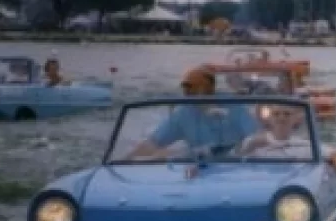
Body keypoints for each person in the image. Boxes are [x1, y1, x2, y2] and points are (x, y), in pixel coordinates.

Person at [125, 68, 258, 160]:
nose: (190, 94)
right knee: (160, 155)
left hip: (234, 164)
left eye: (196, 89)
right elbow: (152, 143)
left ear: (210, 89)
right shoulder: (183, 113)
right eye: (187, 90)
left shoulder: (234, 106)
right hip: (199, 164)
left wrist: (244, 152)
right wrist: (125, 160)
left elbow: (255, 137)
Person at [234, 105, 314, 159]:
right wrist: (250, 148)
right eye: (276, 114)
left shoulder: (306, 146)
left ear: (296, 119)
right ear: (269, 119)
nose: (281, 118)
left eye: (287, 114)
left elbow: (325, 155)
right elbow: (234, 167)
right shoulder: (251, 141)